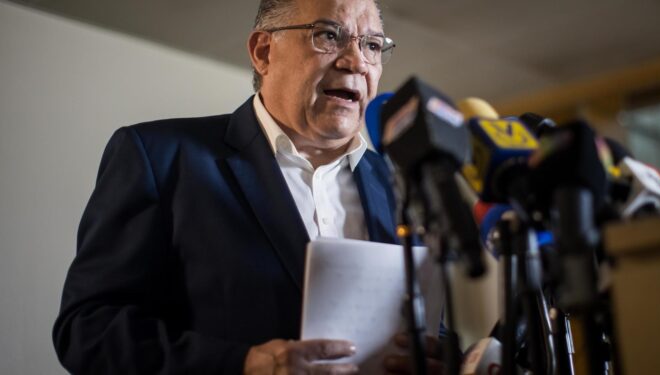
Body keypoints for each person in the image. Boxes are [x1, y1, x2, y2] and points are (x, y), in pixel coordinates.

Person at [53, 0, 444, 374]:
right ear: (263, 51)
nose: (357, 61)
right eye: (328, 35)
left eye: (372, 45)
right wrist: (243, 365)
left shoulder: (406, 183)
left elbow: (432, 326)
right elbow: (89, 331)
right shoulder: (160, 157)